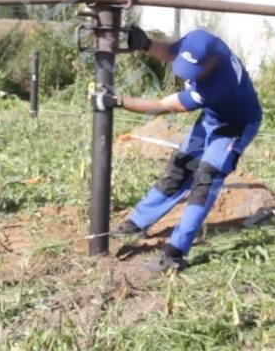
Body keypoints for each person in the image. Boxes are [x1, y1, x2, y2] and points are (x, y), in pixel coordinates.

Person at [91, 26, 262, 272]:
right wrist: (147, 44)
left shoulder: (218, 87)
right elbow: (171, 51)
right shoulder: (200, 43)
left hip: (233, 127)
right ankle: (138, 222)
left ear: (210, 63)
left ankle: (175, 252)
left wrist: (119, 102)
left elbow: (160, 105)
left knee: (205, 179)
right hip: (210, 120)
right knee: (180, 167)